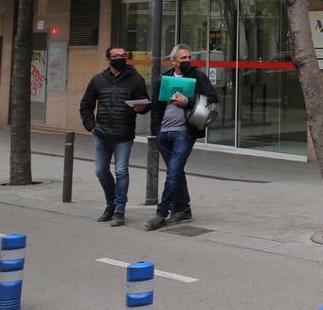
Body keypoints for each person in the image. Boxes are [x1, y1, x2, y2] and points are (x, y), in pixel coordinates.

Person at [145, 44, 219, 230]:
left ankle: (161, 213)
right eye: (183, 58)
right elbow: (156, 106)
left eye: (189, 58)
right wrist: (157, 130)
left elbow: (213, 97)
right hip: (164, 133)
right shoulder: (164, 79)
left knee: (172, 174)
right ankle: (184, 210)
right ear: (173, 61)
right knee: (176, 172)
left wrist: (189, 101)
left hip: (184, 133)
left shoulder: (198, 76)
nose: (187, 61)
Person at [79, 46, 150, 227]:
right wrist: (91, 126)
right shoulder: (98, 80)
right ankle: (110, 203)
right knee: (101, 171)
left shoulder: (136, 79)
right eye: (116, 56)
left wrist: (142, 108)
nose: (120, 58)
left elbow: (144, 103)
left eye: (123, 55)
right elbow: (86, 104)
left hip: (124, 134)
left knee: (121, 171)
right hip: (101, 134)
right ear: (108, 58)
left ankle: (119, 209)